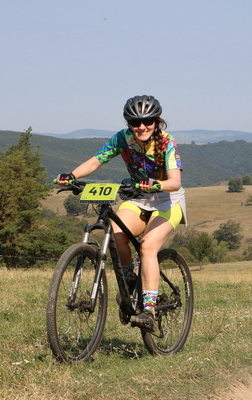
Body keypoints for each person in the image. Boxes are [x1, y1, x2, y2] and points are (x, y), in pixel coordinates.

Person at [57, 95, 186, 330]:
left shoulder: (167, 143)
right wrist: (72, 176)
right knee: (116, 235)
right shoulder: (122, 139)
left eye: (147, 121)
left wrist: (156, 184)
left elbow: (175, 181)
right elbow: (96, 161)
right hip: (138, 197)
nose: (141, 127)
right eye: (135, 123)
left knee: (147, 246)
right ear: (129, 124)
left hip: (167, 200)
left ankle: (149, 308)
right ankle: (129, 280)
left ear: (156, 121)